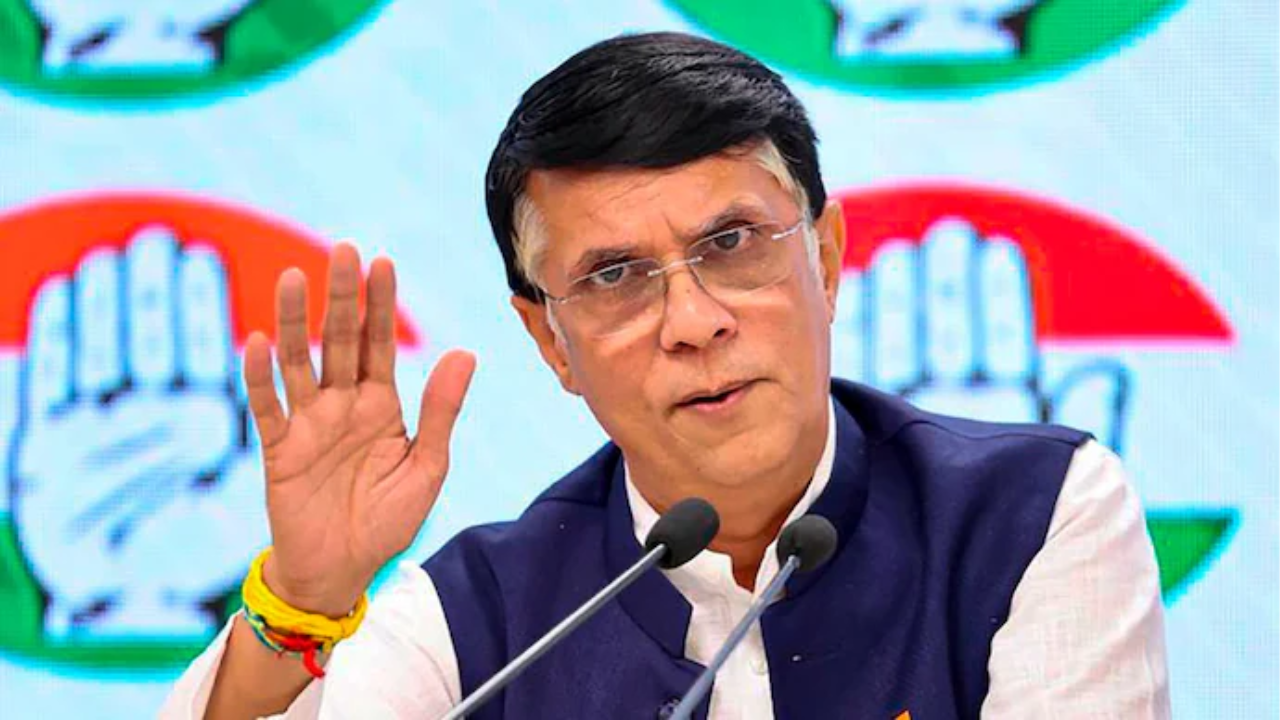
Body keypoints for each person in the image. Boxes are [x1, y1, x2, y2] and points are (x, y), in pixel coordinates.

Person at [160, 31, 1169, 719]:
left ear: (823, 261)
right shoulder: (476, 621)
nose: (693, 322)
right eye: (614, 277)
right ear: (551, 343)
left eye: (732, 243)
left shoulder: (1030, 515)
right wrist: (304, 597)